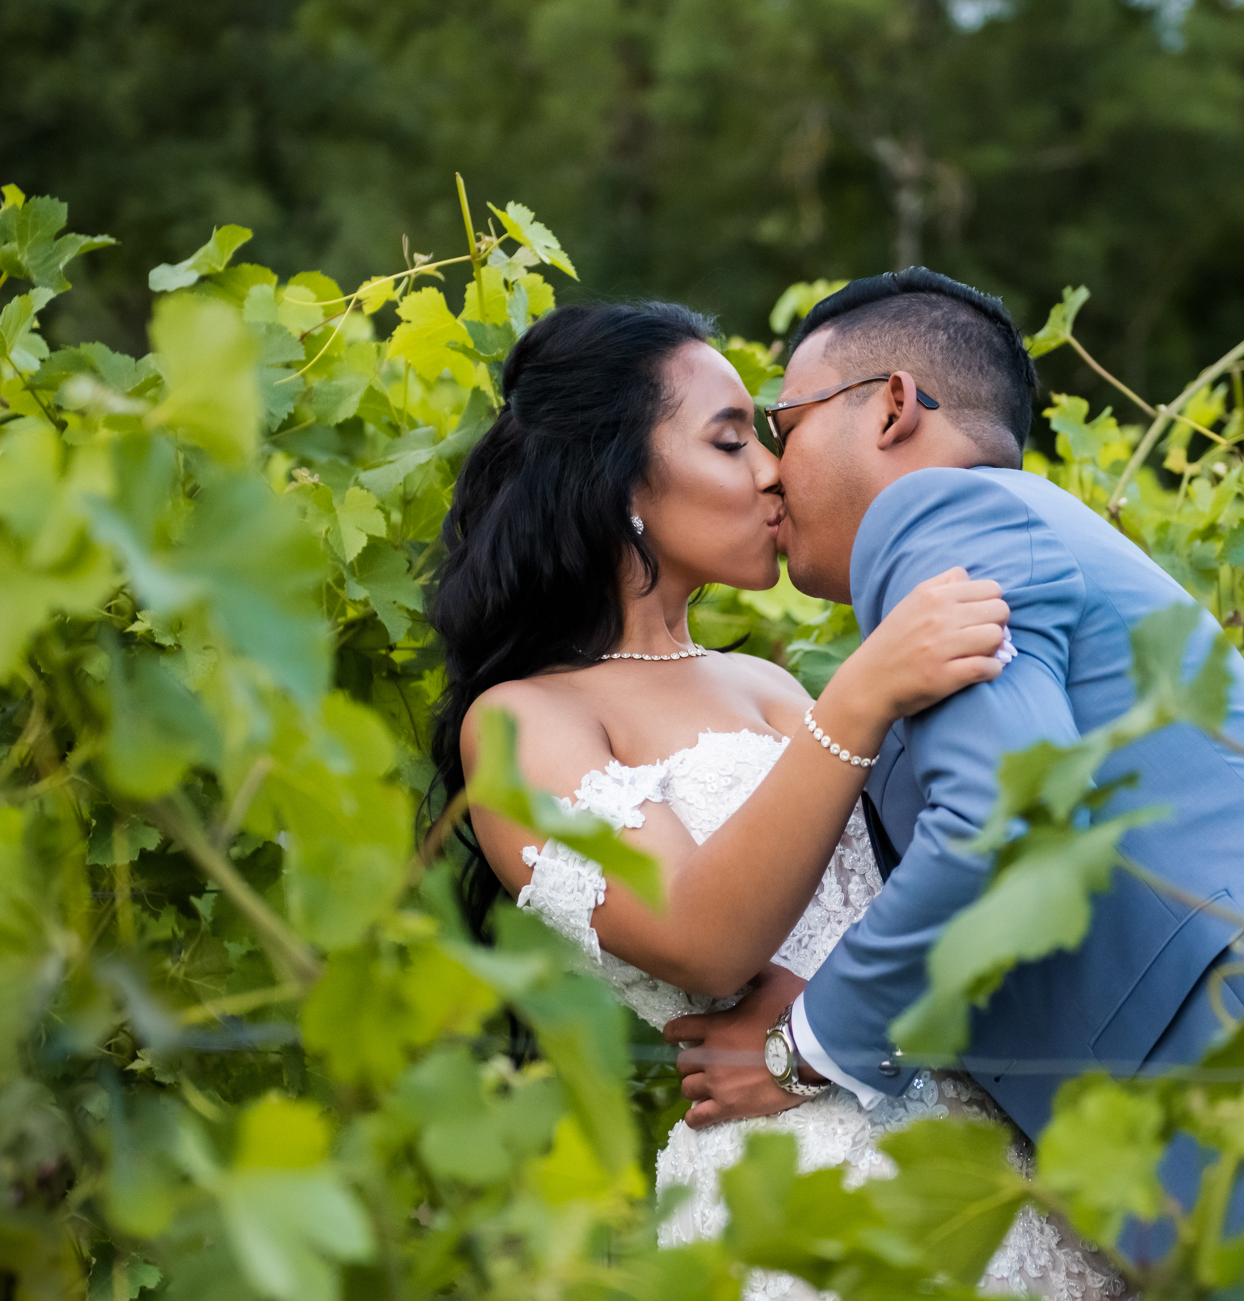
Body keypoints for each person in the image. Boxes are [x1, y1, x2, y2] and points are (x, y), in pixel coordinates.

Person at [663, 269, 1244, 1251]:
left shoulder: (936, 514)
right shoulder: (1009, 538)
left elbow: (1011, 820)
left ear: (893, 407)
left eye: (784, 424)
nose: (772, 472)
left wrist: (803, 1049)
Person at [429, 299, 1131, 1299]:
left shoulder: (764, 683)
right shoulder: (521, 721)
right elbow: (701, 939)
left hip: (983, 1165)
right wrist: (862, 692)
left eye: (766, 437)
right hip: (800, 1189)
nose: (772, 471)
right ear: (616, 480)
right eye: (729, 442)